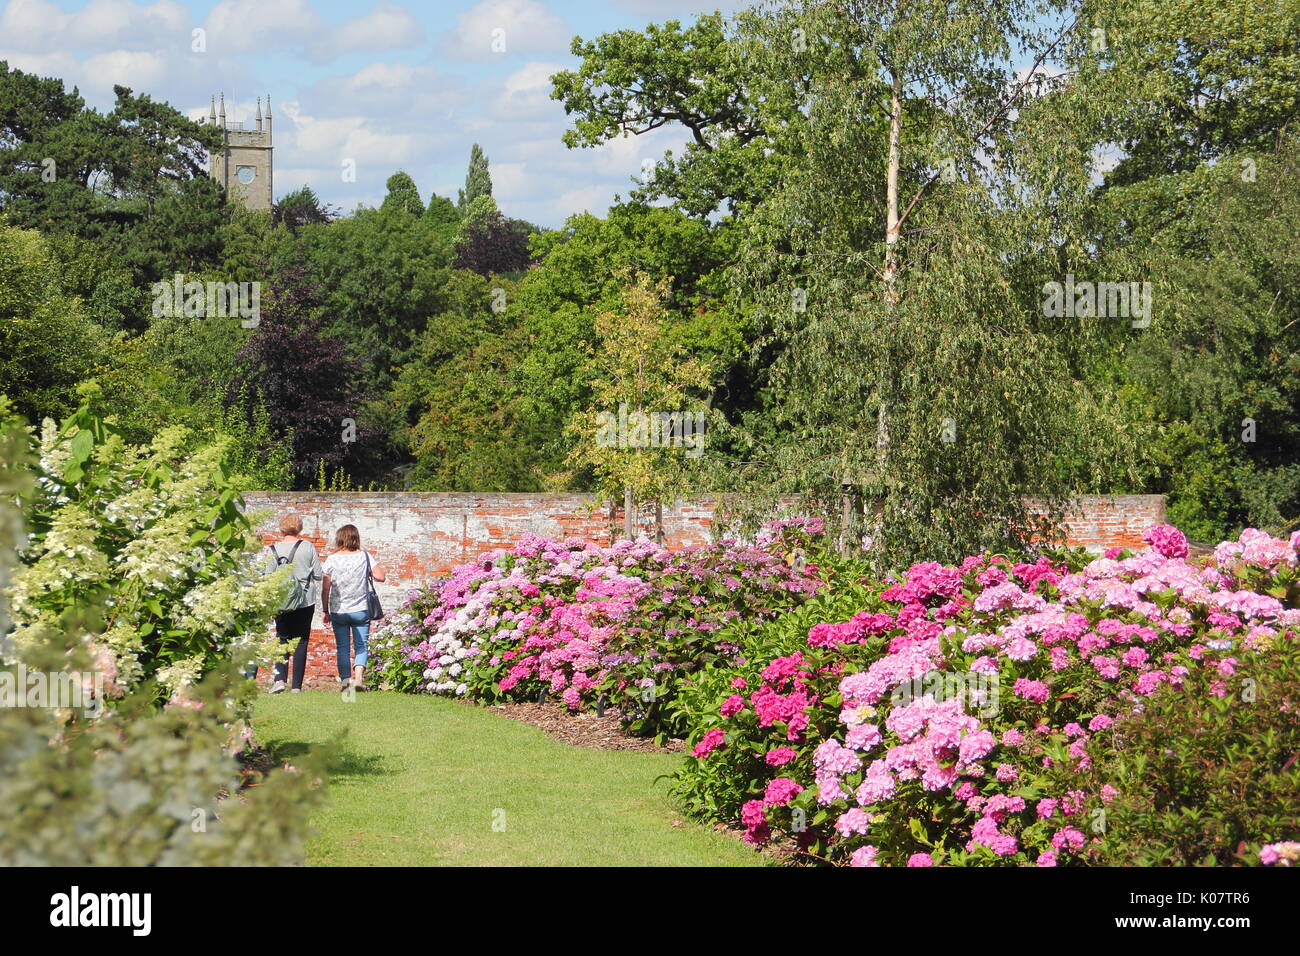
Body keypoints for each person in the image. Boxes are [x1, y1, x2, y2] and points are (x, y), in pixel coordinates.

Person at [320, 524, 385, 692]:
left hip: (338, 610)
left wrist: (325, 610)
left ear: (339, 539)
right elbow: (380, 576)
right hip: (360, 609)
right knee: (361, 645)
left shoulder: (332, 559)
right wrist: (367, 573)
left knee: (342, 647)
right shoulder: (365, 556)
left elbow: (325, 586)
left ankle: (345, 683)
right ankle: (359, 680)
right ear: (356, 538)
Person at [262, 515, 322, 694]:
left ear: (281, 529)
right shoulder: (308, 547)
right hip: (305, 599)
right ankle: (296, 686)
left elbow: (267, 577)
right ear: (300, 528)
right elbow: (318, 574)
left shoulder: (272, 549)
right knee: (301, 640)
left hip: (281, 600)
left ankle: (279, 679)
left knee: (282, 638)